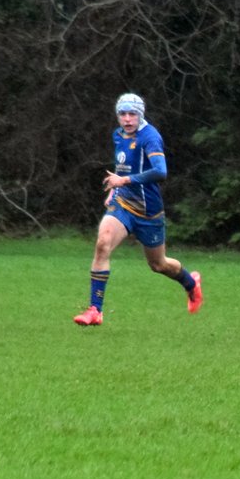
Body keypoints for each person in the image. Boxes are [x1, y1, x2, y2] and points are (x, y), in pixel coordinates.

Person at [73, 93, 202, 326]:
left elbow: (160, 171)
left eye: (132, 114)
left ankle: (191, 284)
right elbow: (124, 165)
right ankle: (95, 310)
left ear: (140, 115)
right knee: (103, 243)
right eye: (122, 114)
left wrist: (124, 180)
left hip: (148, 211)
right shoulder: (119, 135)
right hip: (123, 204)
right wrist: (116, 186)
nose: (127, 119)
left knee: (158, 265)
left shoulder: (150, 137)